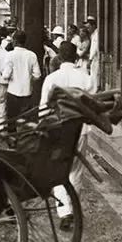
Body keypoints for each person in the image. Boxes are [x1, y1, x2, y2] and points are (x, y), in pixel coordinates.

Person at [39, 42, 92, 230]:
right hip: (80, 129)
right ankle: (73, 208)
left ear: (59, 57)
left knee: (59, 169)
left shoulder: (52, 79)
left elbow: (43, 108)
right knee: (76, 171)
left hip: (58, 130)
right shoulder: (86, 78)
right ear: (76, 58)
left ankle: (64, 211)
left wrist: (43, 127)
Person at [0, 30, 42, 124]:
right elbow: (37, 75)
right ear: (25, 41)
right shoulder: (32, 55)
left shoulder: (10, 55)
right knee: (25, 121)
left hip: (13, 92)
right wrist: (28, 80)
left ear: (14, 41)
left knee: (12, 120)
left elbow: (6, 75)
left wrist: (2, 74)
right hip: (27, 92)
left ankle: (12, 136)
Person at [85, 16, 100, 91]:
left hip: (95, 58)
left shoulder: (96, 34)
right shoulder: (93, 34)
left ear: (93, 26)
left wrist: (90, 59)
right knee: (93, 75)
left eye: (89, 27)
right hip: (94, 59)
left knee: (95, 75)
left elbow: (94, 48)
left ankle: (95, 90)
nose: (88, 30)